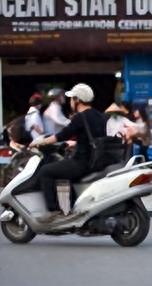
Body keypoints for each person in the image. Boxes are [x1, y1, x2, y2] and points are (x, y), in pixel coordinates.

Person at [29, 83, 107, 223]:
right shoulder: (100, 116)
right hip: (95, 161)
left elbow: (61, 135)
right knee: (66, 172)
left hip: (82, 162)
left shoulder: (80, 117)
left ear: (77, 100)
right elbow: (95, 139)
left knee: (46, 171)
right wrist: (76, 143)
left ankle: (53, 211)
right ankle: (73, 210)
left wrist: (39, 142)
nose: (70, 102)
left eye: (72, 99)